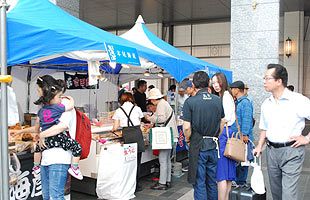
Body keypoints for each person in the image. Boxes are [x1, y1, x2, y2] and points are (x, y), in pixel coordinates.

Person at [254, 64, 310, 200]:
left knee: (288, 195)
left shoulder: (298, 100)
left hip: (292, 151)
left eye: (267, 78)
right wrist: (259, 146)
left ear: (279, 81)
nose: (264, 81)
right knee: (276, 193)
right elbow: (264, 128)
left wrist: (307, 138)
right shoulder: (266, 103)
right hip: (272, 152)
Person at [182, 71, 224, 200]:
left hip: (197, 145)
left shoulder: (190, 102)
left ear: (194, 84)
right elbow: (222, 122)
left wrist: (188, 140)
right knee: (212, 181)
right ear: (208, 83)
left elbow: (187, 127)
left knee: (199, 182)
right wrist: (216, 135)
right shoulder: (217, 100)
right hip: (213, 144)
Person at [145, 88, 178, 190]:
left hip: (165, 136)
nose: (151, 102)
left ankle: (162, 183)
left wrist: (149, 118)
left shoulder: (161, 104)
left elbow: (161, 118)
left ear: (153, 99)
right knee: (167, 159)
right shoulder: (164, 103)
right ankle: (167, 181)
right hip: (170, 135)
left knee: (163, 160)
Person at [112, 92, 145, 192]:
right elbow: (139, 121)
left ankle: (128, 185)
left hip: (127, 135)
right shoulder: (137, 108)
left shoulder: (118, 110)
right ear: (131, 99)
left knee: (129, 161)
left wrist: (114, 131)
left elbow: (115, 127)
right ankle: (137, 185)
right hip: (137, 134)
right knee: (137, 161)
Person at [211, 72, 236, 200]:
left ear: (223, 82)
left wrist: (218, 134)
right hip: (229, 135)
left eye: (217, 82)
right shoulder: (226, 95)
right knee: (228, 173)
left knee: (221, 174)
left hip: (224, 135)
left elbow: (224, 119)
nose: (215, 85)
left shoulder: (225, 96)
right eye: (213, 83)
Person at [230, 80, 254, 186]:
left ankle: (241, 182)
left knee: (243, 161)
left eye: (232, 89)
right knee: (238, 159)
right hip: (237, 136)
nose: (231, 90)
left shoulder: (245, 103)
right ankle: (238, 181)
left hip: (243, 137)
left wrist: (245, 135)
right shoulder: (238, 102)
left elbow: (247, 119)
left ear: (237, 90)